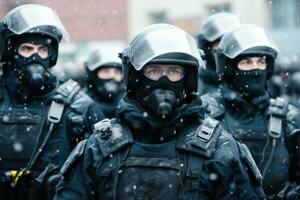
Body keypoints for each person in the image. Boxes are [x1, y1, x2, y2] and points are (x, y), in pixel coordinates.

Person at [54, 24, 265, 200]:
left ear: (187, 80)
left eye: (174, 71)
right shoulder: (100, 147)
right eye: (153, 71)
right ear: (136, 78)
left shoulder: (220, 148)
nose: (164, 80)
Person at [0, 4, 97, 200]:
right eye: (27, 49)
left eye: (42, 49)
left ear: (51, 54)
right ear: (11, 52)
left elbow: (97, 173)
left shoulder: (77, 105)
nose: (35, 57)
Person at [201, 24, 300, 199]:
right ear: (229, 68)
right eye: (246, 62)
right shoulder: (205, 113)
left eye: (261, 62)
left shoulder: (288, 118)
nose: (255, 69)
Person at [197, 12, 240, 95]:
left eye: (231, 43)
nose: (226, 48)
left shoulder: (247, 73)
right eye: (220, 43)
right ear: (208, 49)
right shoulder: (199, 83)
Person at [84, 46, 124, 119]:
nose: (112, 76)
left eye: (117, 72)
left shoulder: (130, 107)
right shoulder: (80, 105)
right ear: (94, 75)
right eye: (106, 72)